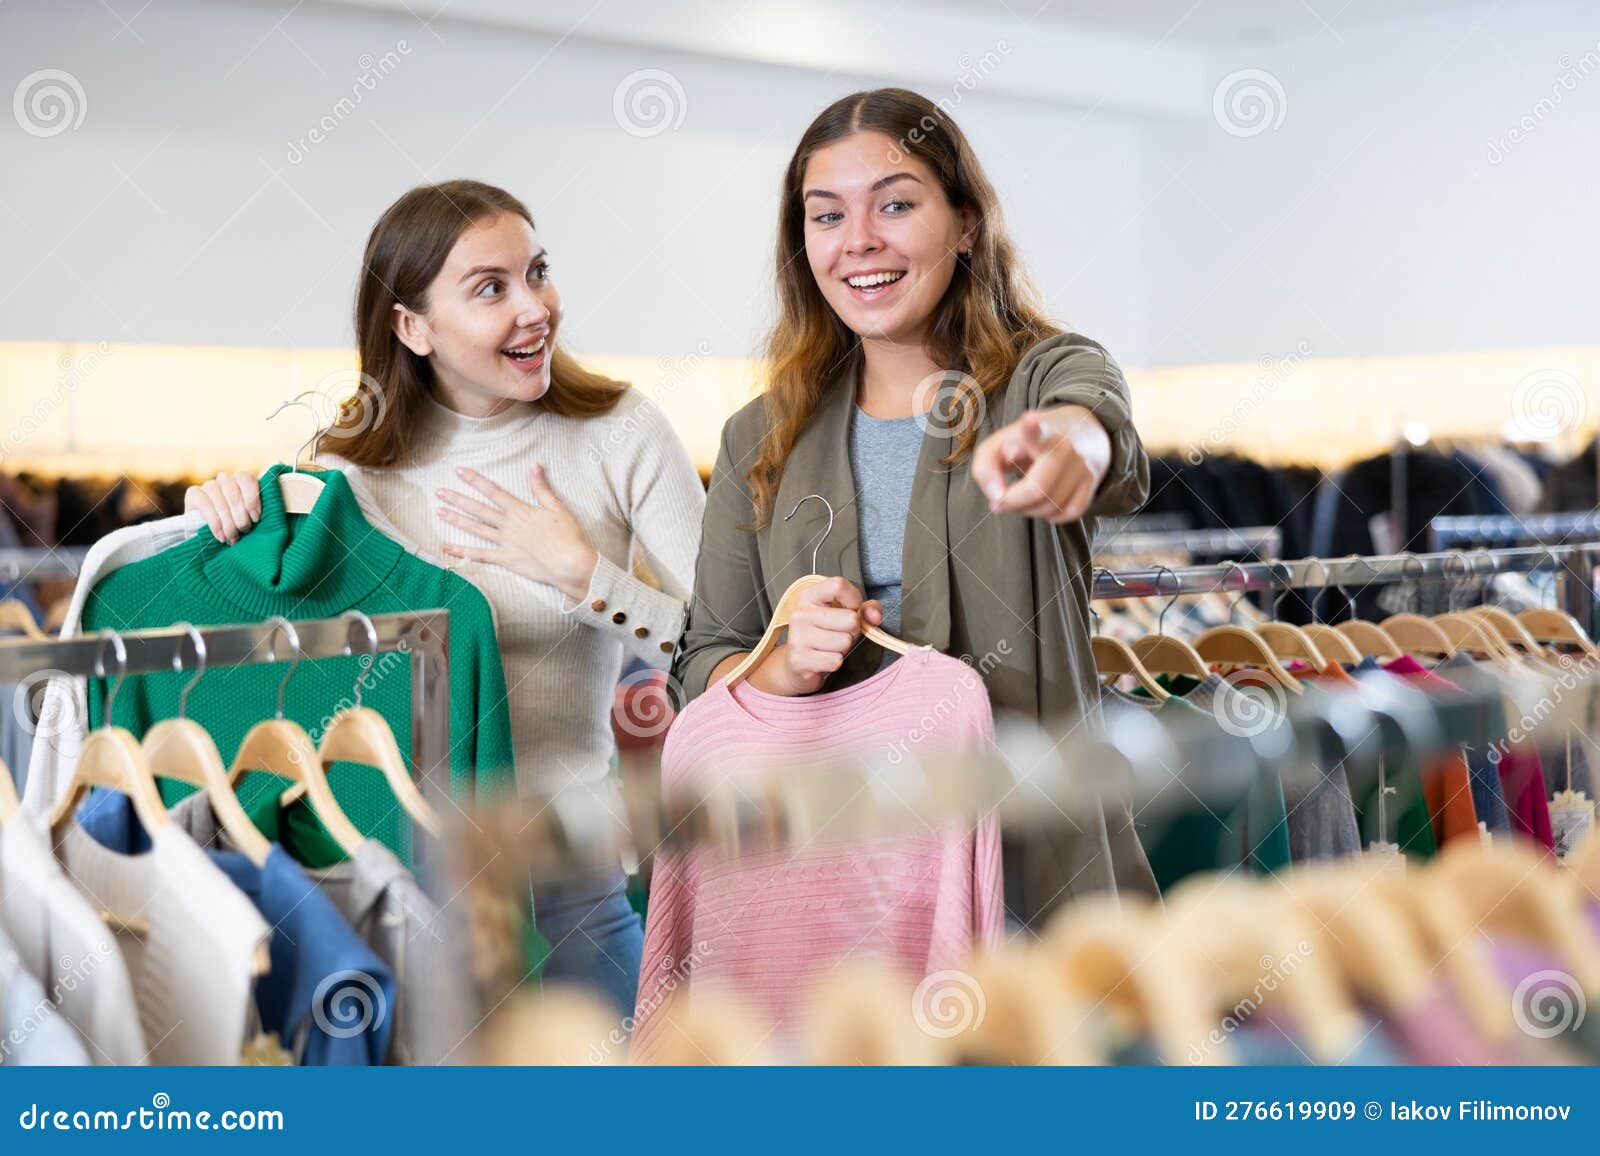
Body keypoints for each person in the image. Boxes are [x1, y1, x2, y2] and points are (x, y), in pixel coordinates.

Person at [187, 179, 706, 1014]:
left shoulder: (619, 433)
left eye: (538, 273)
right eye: (491, 289)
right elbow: (285, 675)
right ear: (412, 326)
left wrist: (590, 583)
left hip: (567, 884)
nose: (535, 307)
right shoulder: (351, 473)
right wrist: (213, 529)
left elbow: (728, 655)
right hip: (403, 893)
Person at [674, 89, 1156, 927]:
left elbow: (1095, 421)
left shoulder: (1037, 379)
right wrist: (783, 664)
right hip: (839, 885)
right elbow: (702, 665)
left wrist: (1072, 448)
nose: (860, 241)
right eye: (827, 217)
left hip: (1032, 873)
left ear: (966, 224)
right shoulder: (760, 439)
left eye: (896, 205)